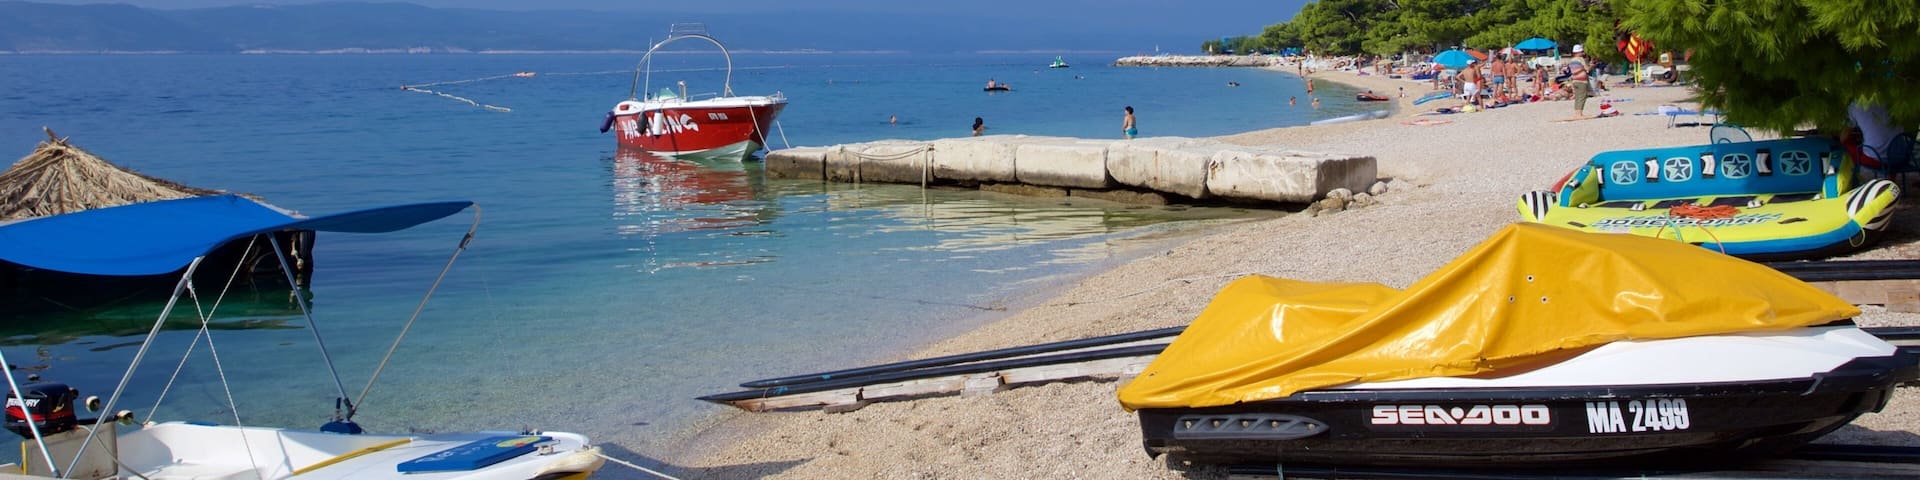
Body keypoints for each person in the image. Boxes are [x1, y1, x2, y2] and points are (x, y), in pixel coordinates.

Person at [1567, 44, 1592, 117]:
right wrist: (1592, 65)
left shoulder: (1571, 60)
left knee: (1577, 97)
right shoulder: (1581, 59)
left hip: (1575, 80)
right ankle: (1580, 113)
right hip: (1582, 81)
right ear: (1579, 52)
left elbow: (1572, 71)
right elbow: (1587, 69)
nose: (1583, 53)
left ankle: (1577, 113)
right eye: (1582, 51)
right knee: (1582, 97)